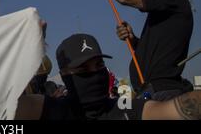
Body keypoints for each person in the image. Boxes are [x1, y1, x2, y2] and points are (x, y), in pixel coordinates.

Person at [15, 33, 201, 120]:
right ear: (64, 75)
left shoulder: (125, 108)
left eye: (99, 65)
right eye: (83, 69)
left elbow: (172, 111)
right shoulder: (51, 109)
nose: (95, 74)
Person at [84, 0, 194, 100]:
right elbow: (156, 50)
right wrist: (133, 39)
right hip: (152, 90)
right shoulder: (169, 1)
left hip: (161, 92)